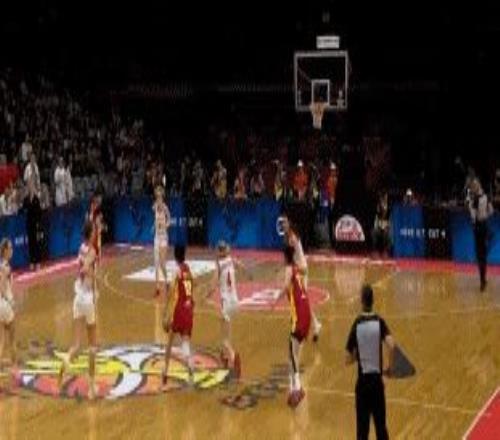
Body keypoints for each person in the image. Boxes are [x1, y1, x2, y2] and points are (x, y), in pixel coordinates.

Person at [345, 284, 395, 440]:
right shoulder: (379, 321)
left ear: (361, 301)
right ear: (373, 301)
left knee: (362, 431)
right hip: (377, 384)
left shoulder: (357, 324)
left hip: (362, 385)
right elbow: (391, 345)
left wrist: (359, 354)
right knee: (381, 428)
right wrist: (389, 369)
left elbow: (347, 359)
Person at [58, 221, 99, 399]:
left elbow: (81, 267)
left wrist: (85, 271)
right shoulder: (92, 250)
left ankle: (66, 361)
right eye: (94, 231)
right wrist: (94, 275)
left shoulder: (80, 248)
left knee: (76, 344)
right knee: (92, 346)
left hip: (77, 298)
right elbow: (85, 268)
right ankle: (91, 388)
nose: (96, 233)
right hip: (87, 297)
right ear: (90, 233)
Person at [274, 245, 311, 408]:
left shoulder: (289, 269)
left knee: (292, 352)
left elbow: (285, 286)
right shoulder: (296, 269)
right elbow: (303, 271)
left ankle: (298, 387)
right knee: (292, 353)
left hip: (300, 316)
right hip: (306, 313)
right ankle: (292, 388)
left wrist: (276, 298)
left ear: (284, 257)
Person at [281, 215, 322, 341]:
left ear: (289, 223)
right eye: (282, 223)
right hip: (296, 269)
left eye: (285, 222)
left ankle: (311, 324)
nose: (283, 225)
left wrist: (288, 268)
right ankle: (312, 323)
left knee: (302, 299)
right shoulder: (287, 237)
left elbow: (290, 258)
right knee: (295, 297)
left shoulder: (292, 238)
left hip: (301, 269)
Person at [206, 241, 242, 378]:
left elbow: (213, 284)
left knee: (224, 340)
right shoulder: (231, 259)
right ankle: (225, 357)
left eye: (217, 250)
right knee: (227, 334)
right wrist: (249, 274)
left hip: (226, 303)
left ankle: (233, 357)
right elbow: (240, 265)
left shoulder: (219, 265)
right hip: (235, 302)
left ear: (219, 252)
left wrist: (206, 295)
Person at [161, 246, 195, 389]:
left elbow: (170, 292)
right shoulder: (188, 269)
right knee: (185, 340)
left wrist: (165, 311)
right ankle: (190, 368)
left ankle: (165, 371)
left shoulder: (177, 271)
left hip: (180, 308)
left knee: (169, 341)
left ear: (175, 256)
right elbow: (194, 285)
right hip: (189, 307)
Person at [467, 177, 494, 291]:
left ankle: (482, 281)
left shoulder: (474, 200)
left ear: (476, 186)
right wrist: (484, 215)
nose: (473, 187)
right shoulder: (486, 196)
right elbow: (491, 211)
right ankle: (483, 279)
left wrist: (470, 206)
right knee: (482, 255)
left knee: (480, 256)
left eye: (474, 185)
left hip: (479, 228)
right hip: (484, 226)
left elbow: (473, 217)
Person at [0, 239, 17, 370]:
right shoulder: (6, 267)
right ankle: (15, 367)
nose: (12, 250)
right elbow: (2, 287)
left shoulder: (1, 266)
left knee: (1, 340)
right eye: (10, 248)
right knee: (12, 339)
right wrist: (10, 301)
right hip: (5, 305)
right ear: (5, 251)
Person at [153, 185, 171, 298]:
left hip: (163, 237)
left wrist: (165, 225)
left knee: (162, 263)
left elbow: (169, 220)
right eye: (157, 196)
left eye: (160, 197)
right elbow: (155, 220)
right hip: (156, 237)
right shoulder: (155, 207)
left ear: (162, 197)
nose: (158, 199)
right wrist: (154, 225)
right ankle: (157, 288)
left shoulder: (165, 208)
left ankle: (167, 280)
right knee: (156, 262)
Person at [24, 180, 42, 271]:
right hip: (29, 224)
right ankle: (32, 262)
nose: (30, 188)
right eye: (29, 186)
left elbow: (39, 213)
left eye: (31, 186)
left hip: (35, 224)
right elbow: (23, 209)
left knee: (36, 244)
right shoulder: (26, 199)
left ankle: (38, 262)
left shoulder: (36, 199)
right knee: (30, 244)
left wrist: (38, 224)